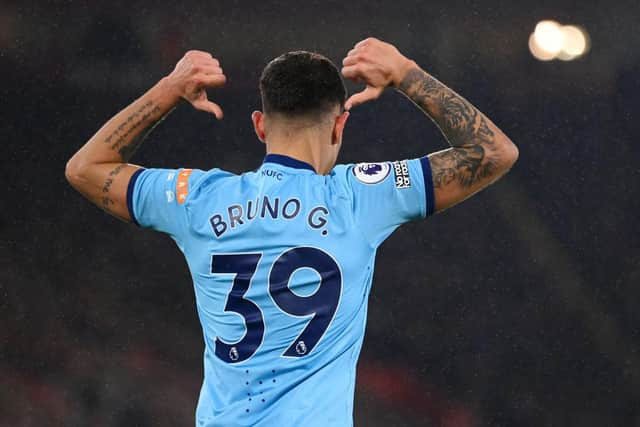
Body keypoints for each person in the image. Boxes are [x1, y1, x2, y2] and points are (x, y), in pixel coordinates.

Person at [66, 37, 518, 427]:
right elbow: (493, 151)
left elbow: (86, 168)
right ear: (341, 124)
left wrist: (168, 90)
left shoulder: (197, 198)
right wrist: (405, 72)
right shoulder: (360, 197)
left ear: (259, 126)